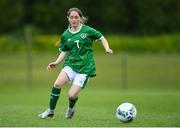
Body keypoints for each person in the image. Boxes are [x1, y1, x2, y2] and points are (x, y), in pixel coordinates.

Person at [39, 7, 113, 119]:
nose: (74, 19)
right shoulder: (65, 35)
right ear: (68, 18)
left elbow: (102, 37)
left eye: (76, 17)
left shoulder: (87, 30)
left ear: (80, 19)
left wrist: (107, 48)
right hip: (71, 65)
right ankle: (51, 110)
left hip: (85, 68)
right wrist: (56, 62)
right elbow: (64, 51)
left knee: (71, 95)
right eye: (71, 17)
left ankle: (71, 109)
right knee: (57, 84)